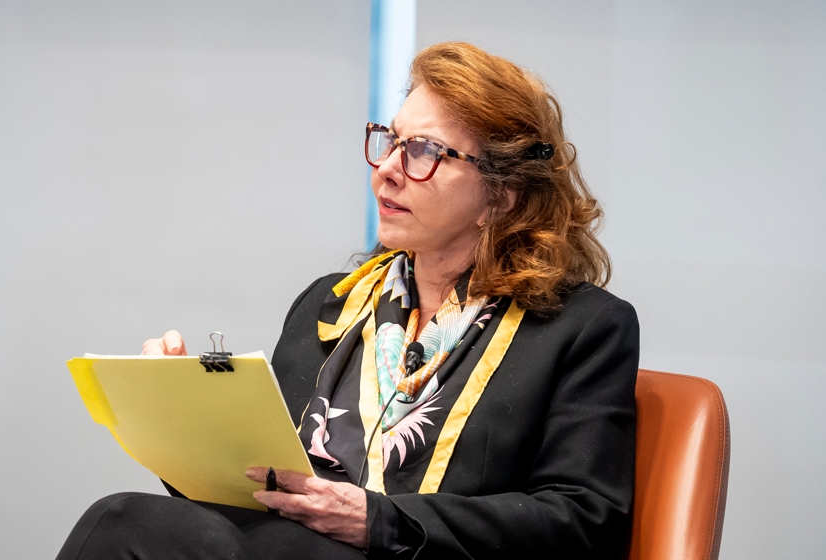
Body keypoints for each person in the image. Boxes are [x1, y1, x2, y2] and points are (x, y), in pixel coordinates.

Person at [57, 42, 639, 560]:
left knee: (121, 522)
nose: (385, 170)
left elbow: (584, 522)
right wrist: (182, 421)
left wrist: (378, 521)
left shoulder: (581, 328)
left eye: (423, 152)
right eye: (390, 143)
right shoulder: (329, 305)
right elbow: (260, 491)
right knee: (129, 522)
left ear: (504, 192)